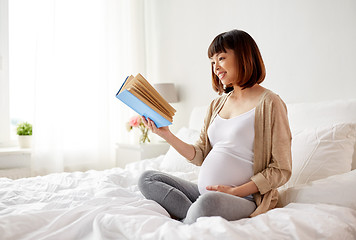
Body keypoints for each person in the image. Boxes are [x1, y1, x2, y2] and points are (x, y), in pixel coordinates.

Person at [138, 29, 292, 224]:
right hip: (206, 193)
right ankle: (192, 215)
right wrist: (166, 134)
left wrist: (235, 191)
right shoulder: (216, 105)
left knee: (208, 203)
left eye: (221, 58)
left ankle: (190, 218)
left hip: (243, 198)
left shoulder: (270, 103)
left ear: (244, 56)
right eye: (212, 62)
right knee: (148, 178)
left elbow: (281, 169)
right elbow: (201, 154)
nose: (215, 67)